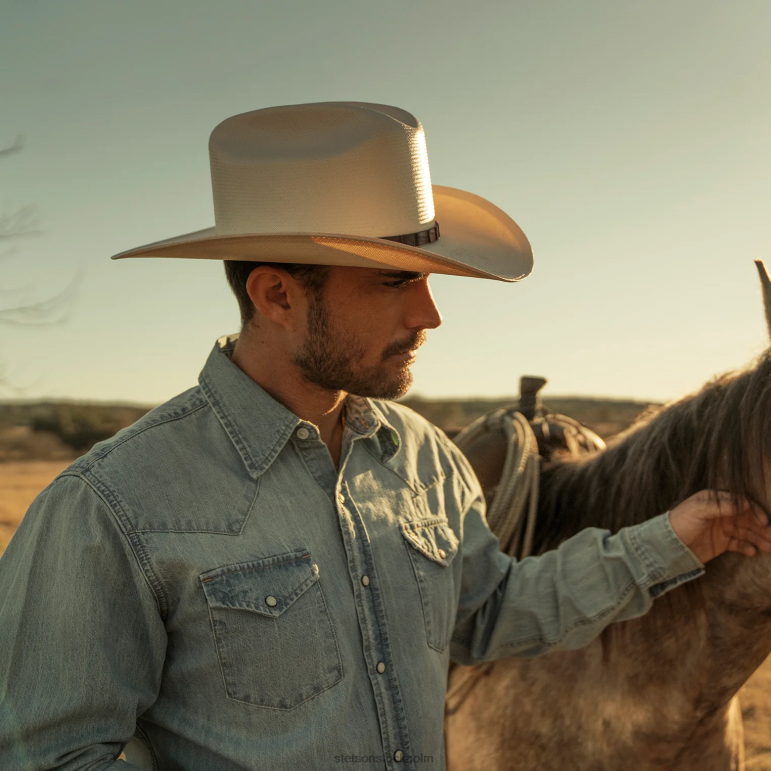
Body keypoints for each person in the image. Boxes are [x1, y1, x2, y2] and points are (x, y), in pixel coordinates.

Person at [1, 102, 770, 771]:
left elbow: (487, 613)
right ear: (276, 294)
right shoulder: (113, 505)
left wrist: (670, 537)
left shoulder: (424, 460)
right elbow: (50, 753)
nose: (430, 316)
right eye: (395, 280)